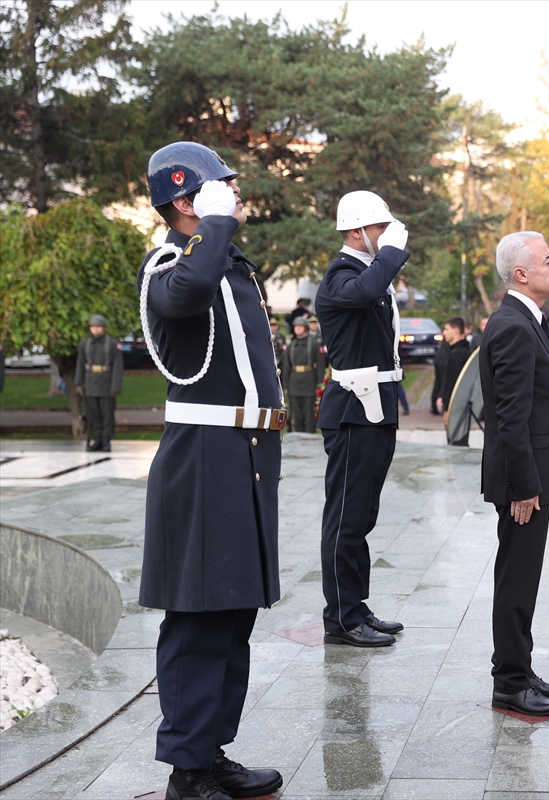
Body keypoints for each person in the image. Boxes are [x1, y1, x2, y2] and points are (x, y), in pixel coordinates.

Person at [138, 141, 283, 800]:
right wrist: (214, 226)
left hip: (248, 455)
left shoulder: (227, 265)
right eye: (220, 187)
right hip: (202, 457)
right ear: (183, 198)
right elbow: (185, 293)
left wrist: (218, 231)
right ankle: (186, 769)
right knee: (197, 616)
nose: (236, 194)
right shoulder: (171, 263)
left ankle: (211, 748)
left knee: (234, 613)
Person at [479, 231, 549, 716]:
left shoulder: (524, 320)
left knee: (522, 576)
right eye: (548, 261)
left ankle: (519, 667)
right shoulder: (514, 326)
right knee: (517, 578)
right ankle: (510, 684)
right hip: (525, 483)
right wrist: (524, 486)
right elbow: (510, 418)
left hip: (531, 478)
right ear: (522, 274)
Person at [314, 190, 409, 647]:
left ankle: (357, 606)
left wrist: (386, 254)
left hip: (375, 405)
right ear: (356, 231)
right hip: (354, 409)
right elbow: (366, 290)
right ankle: (340, 619)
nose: (387, 236)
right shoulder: (341, 275)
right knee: (345, 517)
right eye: (379, 229)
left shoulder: (367, 274)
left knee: (362, 516)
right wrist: (391, 254)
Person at [75, 314, 123, 452]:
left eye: (98, 326)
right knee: (92, 415)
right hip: (91, 383)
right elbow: (80, 364)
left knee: (107, 415)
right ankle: (97, 439)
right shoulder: (84, 345)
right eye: (93, 327)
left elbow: (118, 367)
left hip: (106, 383)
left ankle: (106, 440)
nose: (96, 329)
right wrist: (78, 383)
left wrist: (115, 387)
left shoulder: (113, 344)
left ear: (103, 327)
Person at [282, 316, 324, 433]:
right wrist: (285, 386)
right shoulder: (291, 346)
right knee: (297, 414)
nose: (298, 329)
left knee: (309, 413)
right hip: (294, 381)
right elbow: (287, 368)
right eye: (296, 327)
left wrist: (320, 382)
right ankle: (299, 439)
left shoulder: (314, 344)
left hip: (309, 380)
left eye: (300, 327)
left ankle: (310, 437)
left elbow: (320, 364)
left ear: (305, 328)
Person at [437, 316, 472, 445]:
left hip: (456, 408)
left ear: (456, 331)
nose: (444, 333)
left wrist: (447, 410)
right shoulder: (464, 351)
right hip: (463, 407)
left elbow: (454, 385)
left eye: (447, 329)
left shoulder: (457, 354)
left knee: (456, 444)